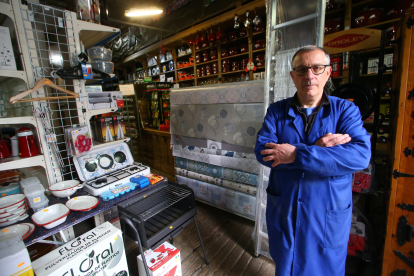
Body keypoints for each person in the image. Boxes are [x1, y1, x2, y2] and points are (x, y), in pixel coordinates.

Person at [254, 45, 371, 276]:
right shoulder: (276, 111)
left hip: (326, 211)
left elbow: (359, 155)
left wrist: (296, 155)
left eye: (317, 68)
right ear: (292, 76)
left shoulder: (346, 110)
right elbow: (263, 152)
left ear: (328, 73)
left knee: (325, 267)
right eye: (301, 69)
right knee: (285, 263)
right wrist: (317, 150)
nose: (309, 76)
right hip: (285, 207)